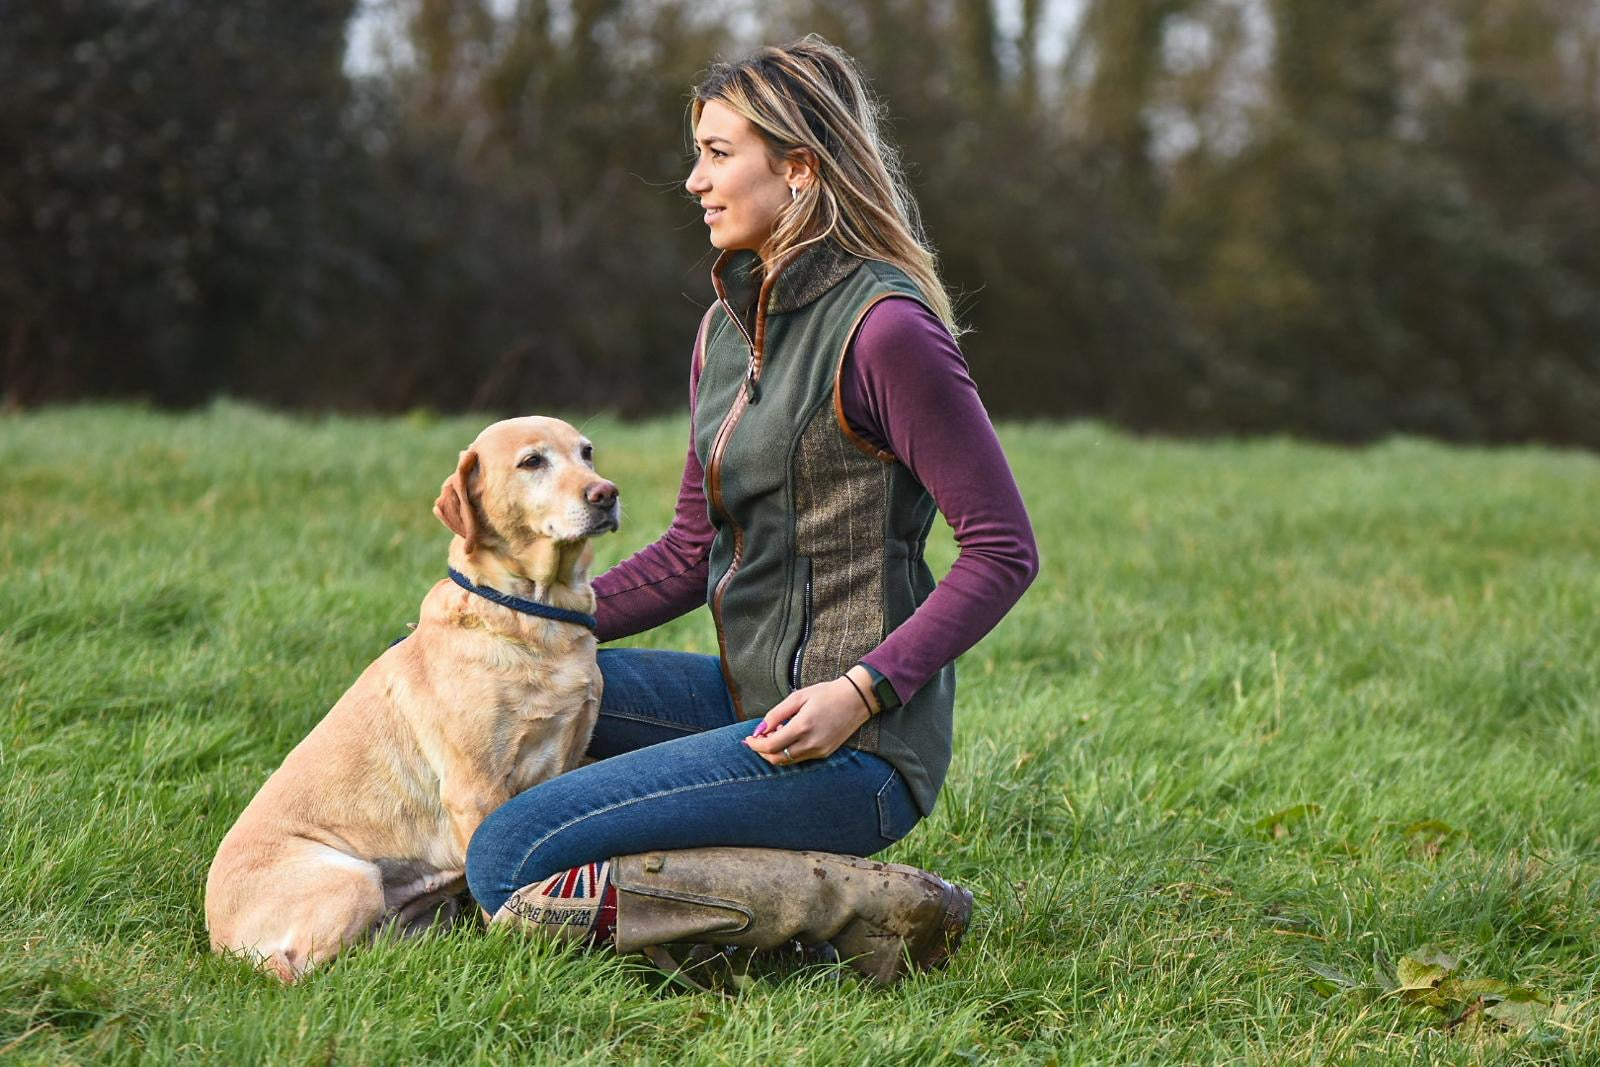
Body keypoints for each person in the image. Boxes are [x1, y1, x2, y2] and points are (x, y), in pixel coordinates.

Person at [464, 35, 1038, 986]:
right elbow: (695, 548)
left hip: (856, 745)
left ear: (801, 170)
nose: (694, 179)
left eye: (719, 154)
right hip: (743, 696)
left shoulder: (887, 332)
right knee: (502, 702)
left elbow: (1002, 551)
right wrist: (510, 621)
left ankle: (844, 906)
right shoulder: (726, 328)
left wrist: (862, 692)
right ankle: (784, 896)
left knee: (508, 857)